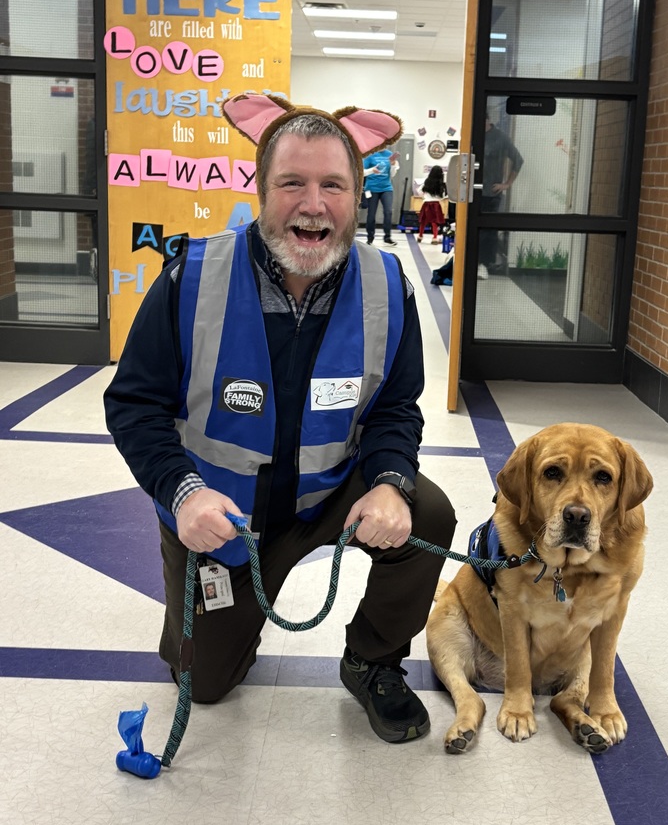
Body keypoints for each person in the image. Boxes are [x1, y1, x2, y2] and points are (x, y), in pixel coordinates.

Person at [103, 93, 457, 746]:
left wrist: (386, 480)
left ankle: (373, 659)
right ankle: (214, 626)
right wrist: (181, 493)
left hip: (328, 497)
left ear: (358, 194)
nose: (313, 204)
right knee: (205, 684)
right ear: (261, 189)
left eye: (333, 185)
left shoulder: (388, 288)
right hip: (223, 515)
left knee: (426, 512)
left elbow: (395, 410)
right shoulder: (191, 278)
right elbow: (133, 405)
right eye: (292, 182)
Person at [478, 117, 524, 279]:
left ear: (488, 120)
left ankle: (483, 264)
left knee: (488, 231)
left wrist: (506, 184)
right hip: (472, 191)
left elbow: (518, 160)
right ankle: (471, 262)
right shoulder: (474, 133)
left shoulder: (500, 137)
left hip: (491, 192)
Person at [363, 145, 399, 246]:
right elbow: (362, 172)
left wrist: (392, 165)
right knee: (371, 214)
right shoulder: (370, 155)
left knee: (388, 212)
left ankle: (387, 237)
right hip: (371, 188)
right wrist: (371, 170)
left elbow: (392, 175)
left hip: (386, 188)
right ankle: (370, 238)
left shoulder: (390, 155)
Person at [416, 165, 447, 244]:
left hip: (426, 203)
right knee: (434, 221)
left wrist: (424, 197)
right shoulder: (441, 184)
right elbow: (443, 195)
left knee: (423, 221)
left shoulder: (427, 182)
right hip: (436, 204)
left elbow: (419, 190)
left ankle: (420, 236)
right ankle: (435, 237)